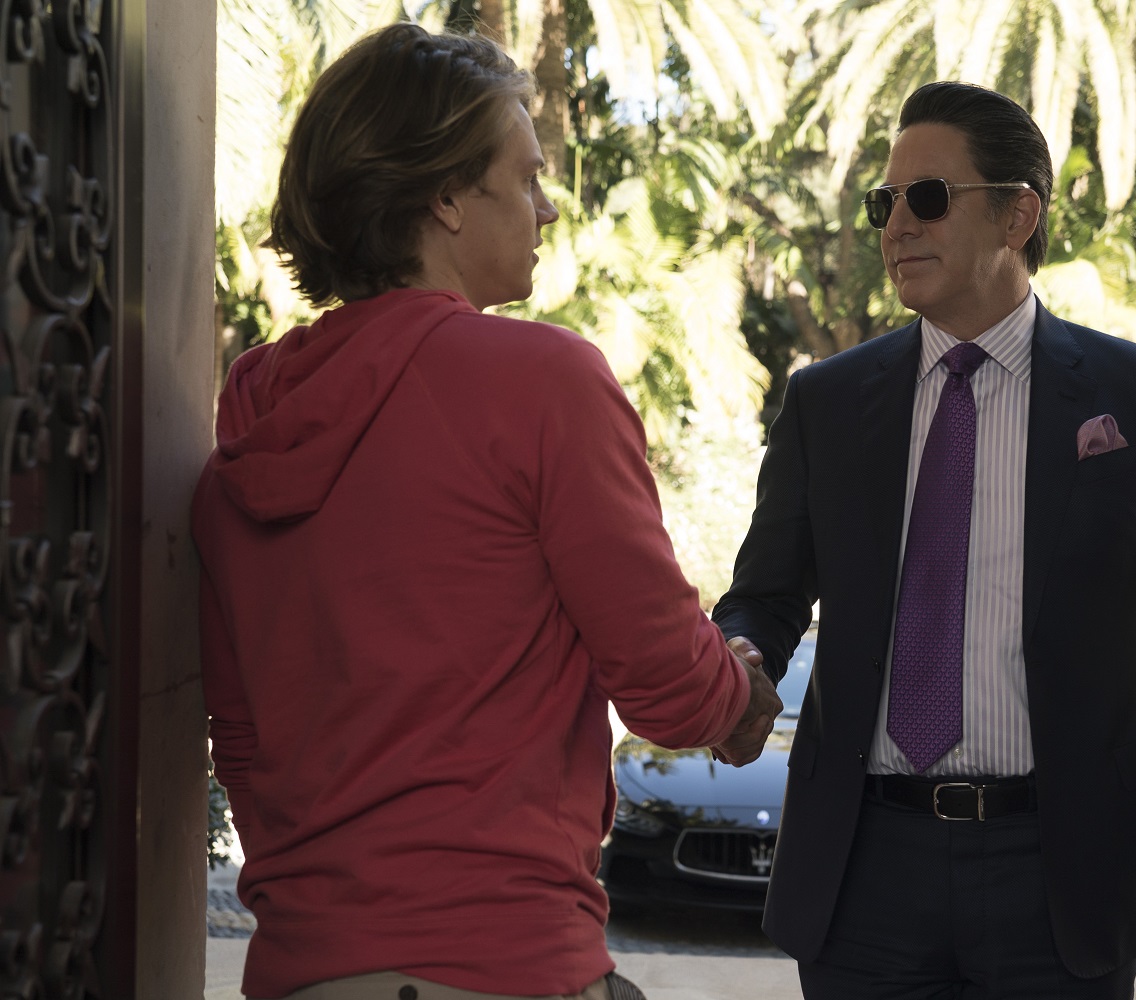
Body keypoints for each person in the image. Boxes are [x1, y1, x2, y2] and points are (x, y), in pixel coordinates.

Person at [195, 23, 779, 1000]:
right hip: (498, 953)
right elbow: (662, 677)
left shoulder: (245, 444)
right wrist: (740, 694)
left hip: (304, 964)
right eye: (527, 176)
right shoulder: (542, 382)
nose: (546, 207)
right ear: (446, 197)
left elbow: (241, 741)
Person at [711, 81, 1136, 1000]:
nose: (897, 225)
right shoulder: (827, 402)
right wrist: (739, 659)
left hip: (1062, 872)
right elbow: (765, 596)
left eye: (928, 197)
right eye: (884, 202)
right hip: (863, 872)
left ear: (1018, 215)